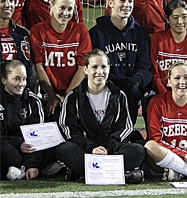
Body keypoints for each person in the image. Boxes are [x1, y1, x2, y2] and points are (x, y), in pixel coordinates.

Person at [56, 49, 145, 183]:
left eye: (103, 67)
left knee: (138, 150)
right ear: (85, 70)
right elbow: (68, 129)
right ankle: (114, 173)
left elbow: (125, 128)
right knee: (63, 149)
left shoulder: (119, 95)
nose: (99, 71)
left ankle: (86, 173)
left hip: (110, 150)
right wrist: (91, 148)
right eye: (94, 67)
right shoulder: (73, 97)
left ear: (109, 68)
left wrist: (107, 148)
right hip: (86, 150)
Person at [89, 0, 152, 125]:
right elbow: (93, 67)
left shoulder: (140, 33)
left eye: (130, 1)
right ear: (111, 3)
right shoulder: (97, 33)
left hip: (132, 89)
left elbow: (145, 65)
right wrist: (117, 83)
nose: (127, 5)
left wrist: (135, 82)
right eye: (122, 0)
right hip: (105, 88)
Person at [30, 0, 91, 121]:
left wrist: (67, 96)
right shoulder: (38, 31)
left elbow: (82, 68)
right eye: (62, 7)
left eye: (70, 9)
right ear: (51, 7)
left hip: (73, 91)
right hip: (47, 93)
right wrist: (51, 95)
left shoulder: (80, 31)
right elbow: (38, 66)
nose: (66, 13)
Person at [0, 60, 54, 180]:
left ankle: (21, 170)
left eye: (24, 79)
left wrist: (32, 165)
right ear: (4, 80)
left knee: (56, 145)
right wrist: (18, 143)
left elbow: (38, 136)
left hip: (29, 150)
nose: (22, 84)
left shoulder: (33, 101)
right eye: (16, 79)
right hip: (9, 148)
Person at [150, 0, 187, 95]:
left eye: (184, 17)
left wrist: (183, 95)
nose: (180, 21)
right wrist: (166, 96)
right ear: (167, 19)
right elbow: (154, 73)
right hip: (162, 95)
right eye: (175, 17)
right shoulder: (157, 39)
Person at [0, 0, 37, 92]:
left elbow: (31, 71)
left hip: (20, 98)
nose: (8, 5)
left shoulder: (24, 34)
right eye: (2, 0)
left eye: (11, 0)